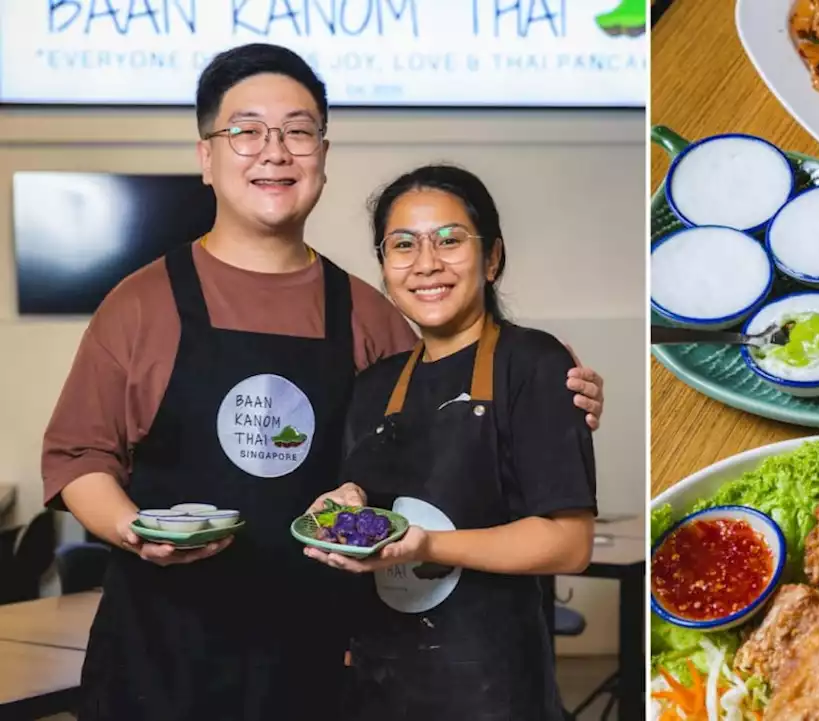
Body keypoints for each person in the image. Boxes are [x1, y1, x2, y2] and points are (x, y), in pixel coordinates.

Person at [40, 43, 605, 721]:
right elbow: (79, 457)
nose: (274, 151)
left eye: (299, 131)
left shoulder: (369, 313)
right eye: (246, 130)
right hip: (163, 659)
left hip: (322, 664)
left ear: (323, 157)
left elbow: (444, 436)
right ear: (206, 157)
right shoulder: (139, 303)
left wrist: (552, 388)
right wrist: (133, 528)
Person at [302, 165, 598, 720]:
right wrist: (341, 504)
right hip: (378, 683)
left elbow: (568, 544)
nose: (427, 263)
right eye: (403, 245)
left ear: (491, 258)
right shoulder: (373, 386)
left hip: (490, 689)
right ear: (386, 266)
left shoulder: (533, 364)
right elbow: (364, 493)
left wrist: (429, 546)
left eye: (450, 240)